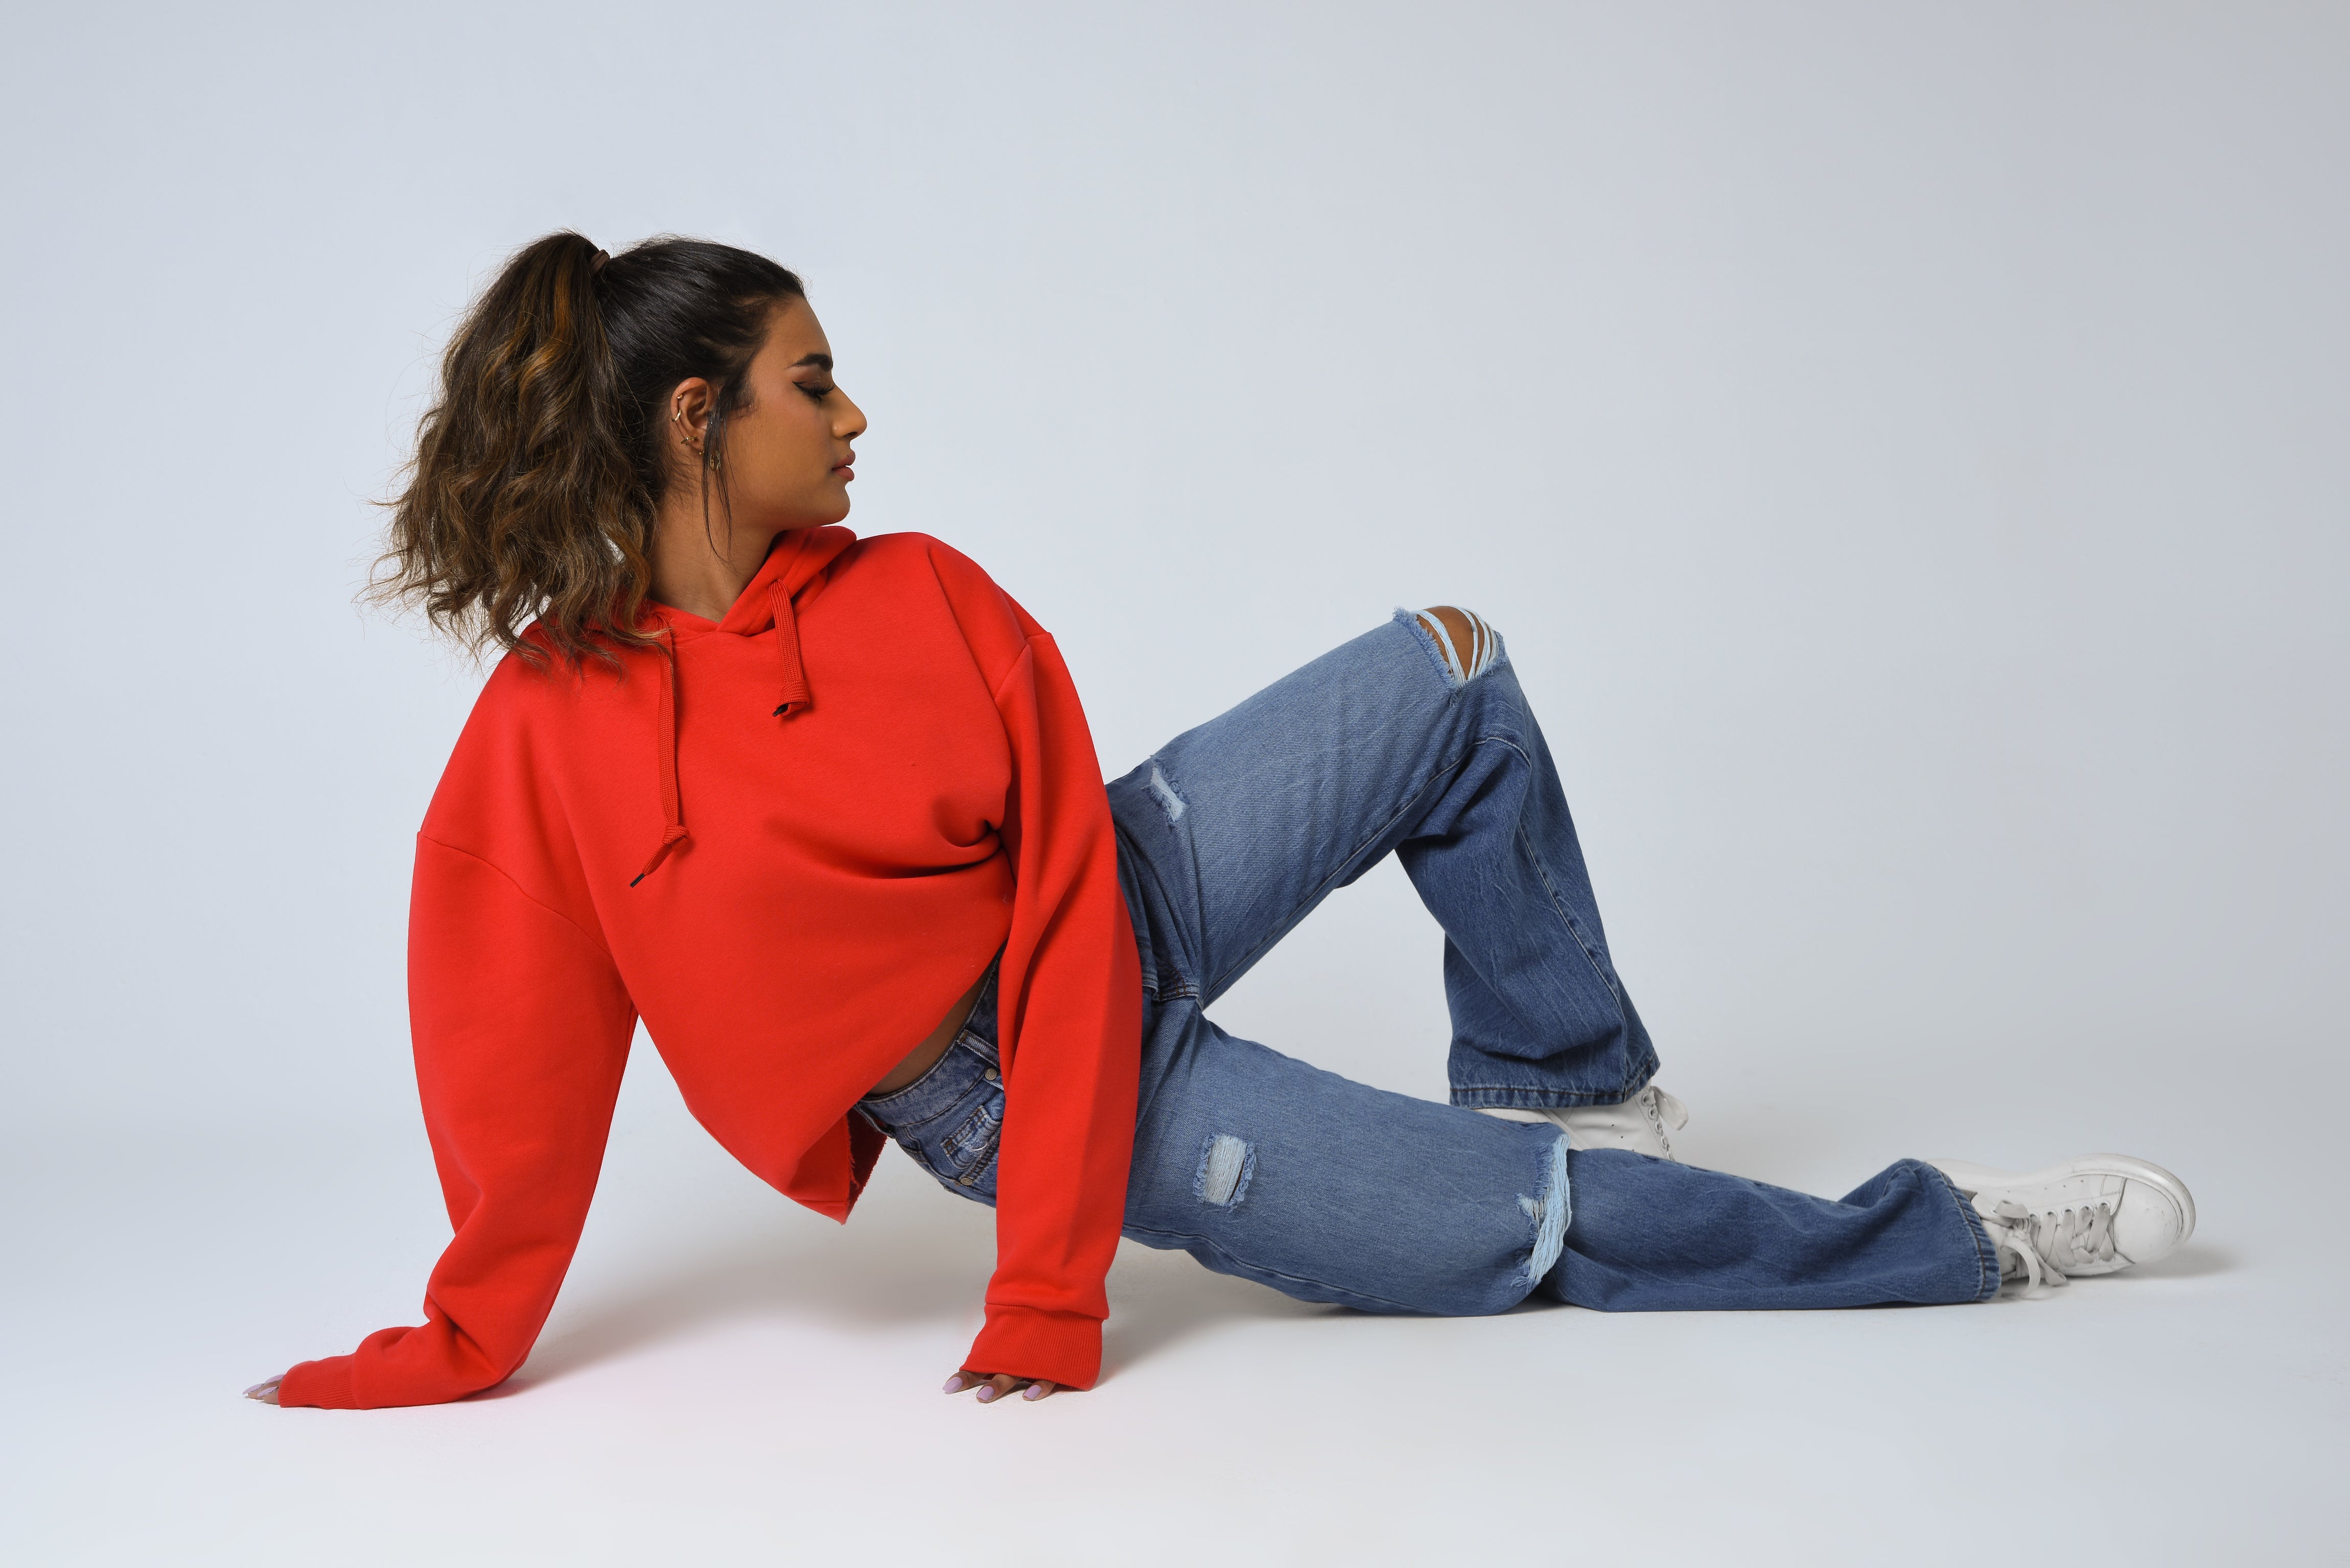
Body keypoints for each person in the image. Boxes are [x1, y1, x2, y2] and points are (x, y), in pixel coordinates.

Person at [245, 232, 2195, 1411]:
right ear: (696, 418)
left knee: (1449, 671)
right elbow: (514, 1064)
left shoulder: (918, 591)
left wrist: (1046, 1276)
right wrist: (462, 1334)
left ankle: (1575, 1084)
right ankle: (1952, 1239)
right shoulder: (547, 729)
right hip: (1006, 1091)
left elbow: (1066, 886)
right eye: (809, 384)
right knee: (1526, 1235)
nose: (853, 418)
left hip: (1104, 909)